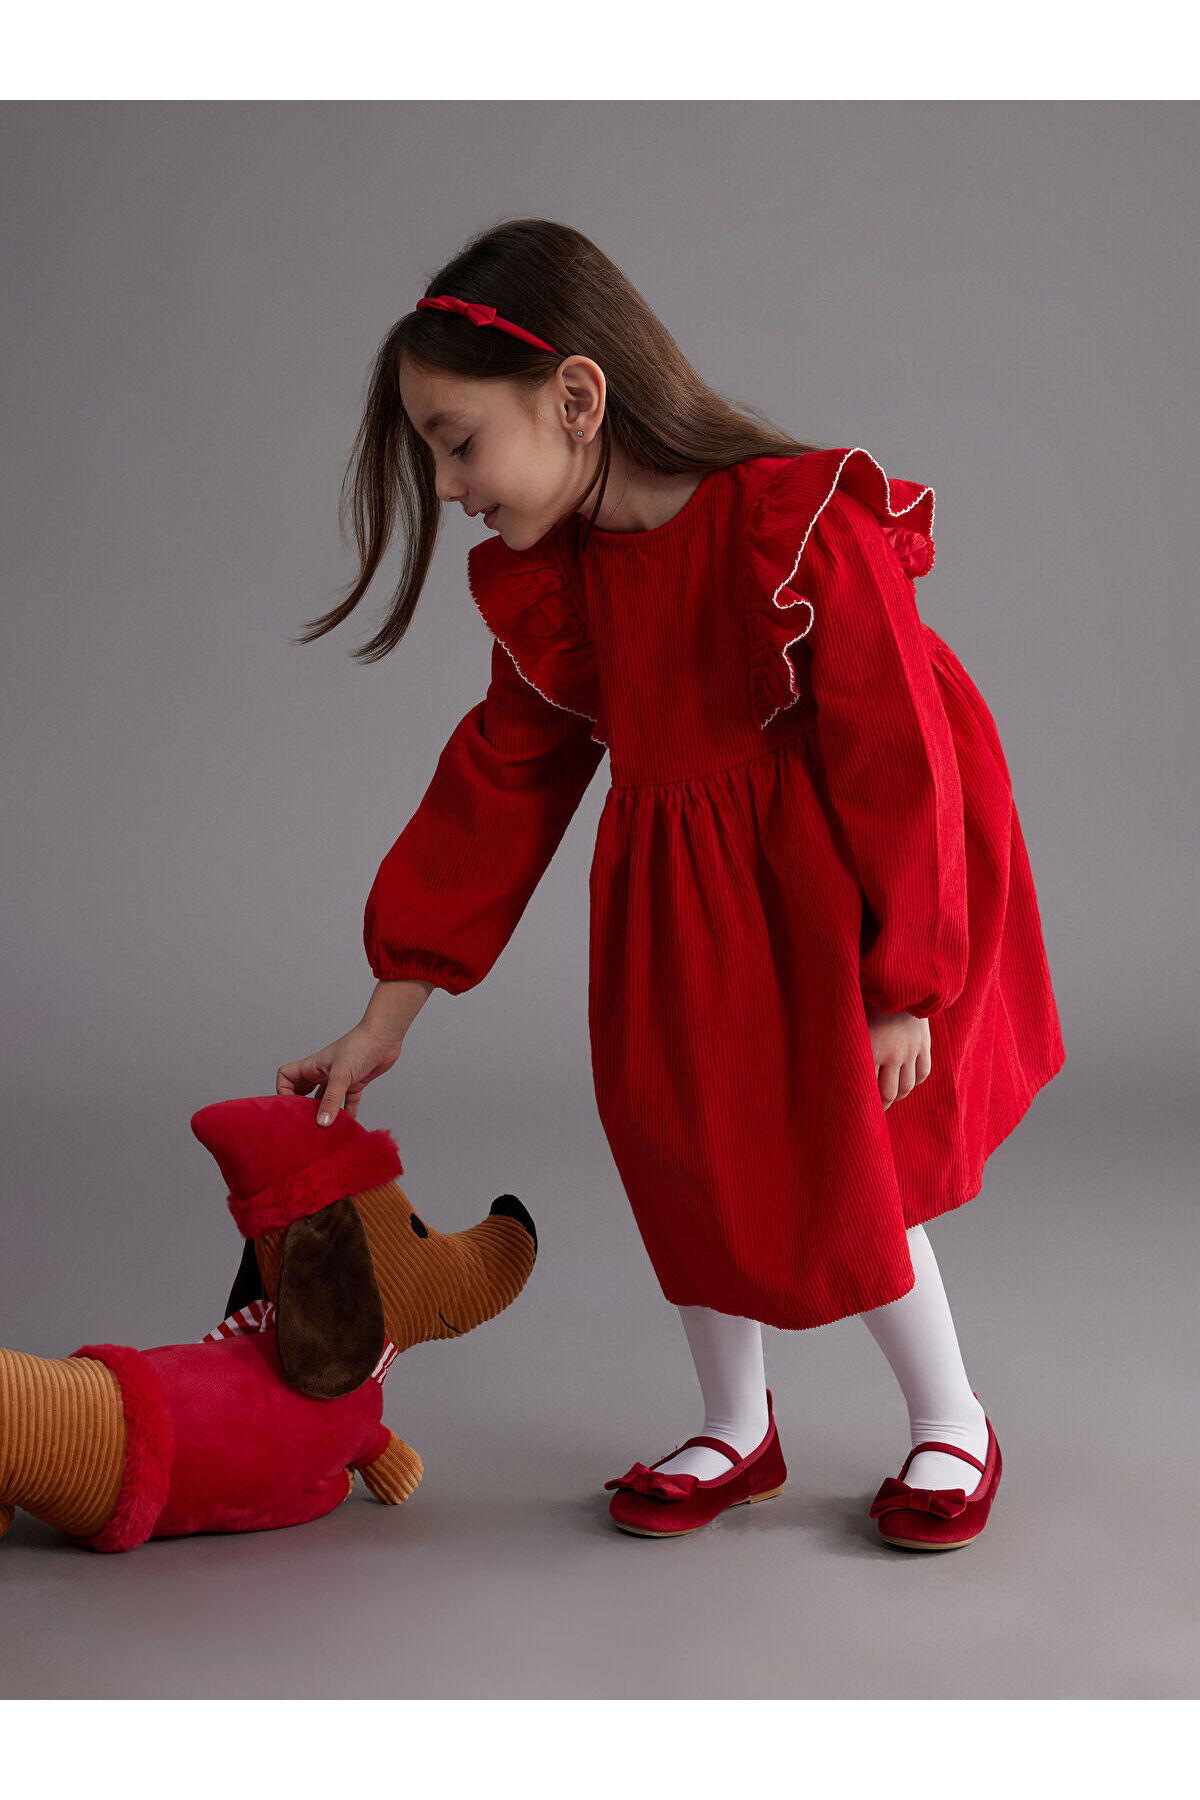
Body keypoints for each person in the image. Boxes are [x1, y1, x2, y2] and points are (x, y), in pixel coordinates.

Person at [274, 217, 1065, 1548]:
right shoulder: (567, 582)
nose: (448, 485)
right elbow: (496, 791)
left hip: (817, 899)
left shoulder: (789, 527)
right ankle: (735, 1423)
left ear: (576, 398)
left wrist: (905, 983)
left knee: (842, 1162)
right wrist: (385, 1016)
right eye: (430, 454)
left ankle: (952, 1418)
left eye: (457, 442)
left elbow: (897, 756)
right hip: (674, 912)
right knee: (680, 1148)